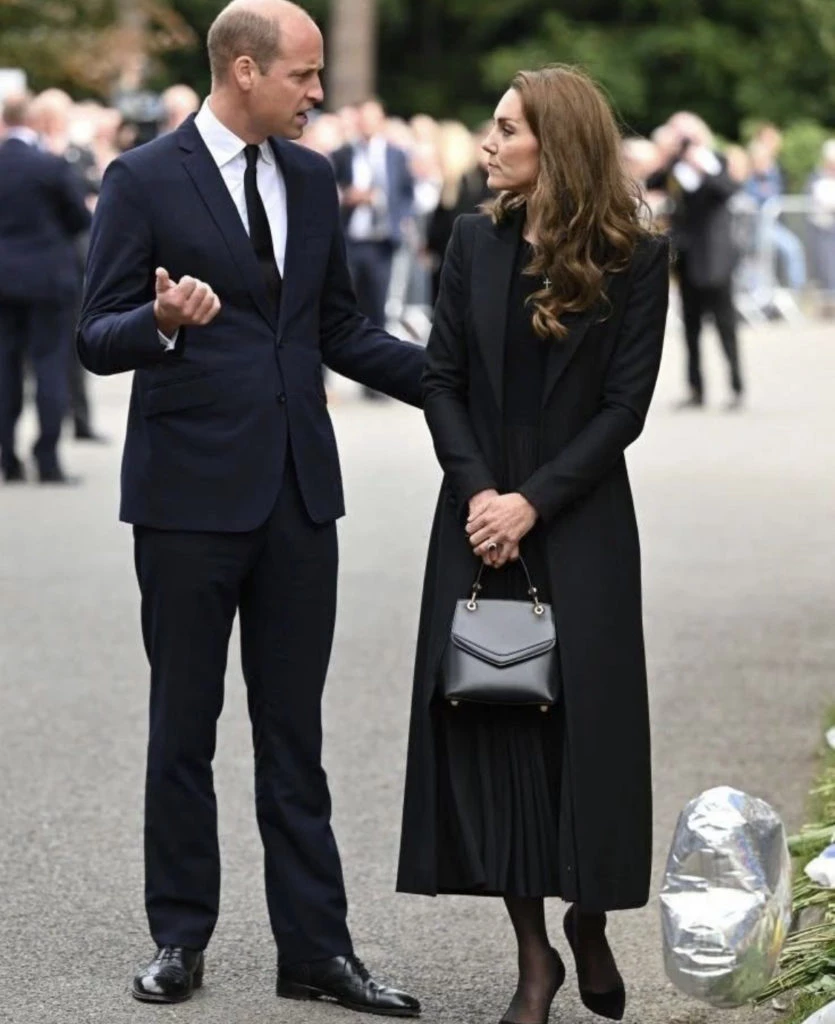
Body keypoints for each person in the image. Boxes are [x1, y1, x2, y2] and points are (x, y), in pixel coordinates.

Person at [77, 0, 422, 1015]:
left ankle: (315, 950)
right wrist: (159, 319)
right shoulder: (142, 178)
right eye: (302, 75)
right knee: (183, 728)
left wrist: (456, 381)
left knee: (293, 735)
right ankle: (178, 936)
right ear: (242, 69)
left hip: (299, 496)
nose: (317, 92)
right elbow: (94, 335)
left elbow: (340, 328)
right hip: (185, 497)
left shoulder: (311, 177)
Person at [397, 65, 669, 1024]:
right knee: (496, 723)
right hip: (477, 513)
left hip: (579, 514)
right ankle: (533, 957)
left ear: (557, 144)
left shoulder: (636, 255)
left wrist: (532, 504)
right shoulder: (472, 238)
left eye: (507, 128)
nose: (487, 141)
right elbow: (440, 378)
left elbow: (622, 409)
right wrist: (482, 495)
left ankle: (588, 918)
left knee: (589, 731)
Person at [0, 93, 91, 483]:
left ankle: (7, 457)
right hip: (49, 279)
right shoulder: (50, 165)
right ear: (34, 121)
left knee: (5, 368)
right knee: (50, 366)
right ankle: (48, 458)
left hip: (4, 280)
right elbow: (79, 218)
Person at [646, 112, 742, 410]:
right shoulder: (675, 167)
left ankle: (736, 386)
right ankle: (695, 388)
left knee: (725, 324)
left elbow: (727, 189)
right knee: (691, 326)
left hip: (715, 256)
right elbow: (653, 181)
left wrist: (701, 166)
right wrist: (670, 155)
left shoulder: (716, 161)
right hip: (687, 257)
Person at [331, 98, 415, 398]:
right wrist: (347, 197)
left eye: (372, 118)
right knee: (341, 306)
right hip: (350, 241)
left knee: (377, 309)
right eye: (362, 118)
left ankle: (375, 383)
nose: (367, 124)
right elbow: (328, 190)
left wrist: (396, 216)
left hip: (382, 242)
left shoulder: (396, 154)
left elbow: (406, 192)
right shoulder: (341, 154)